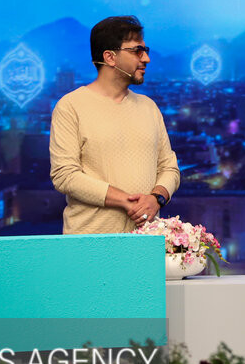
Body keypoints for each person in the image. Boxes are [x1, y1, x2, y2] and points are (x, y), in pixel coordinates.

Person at [50, 15, 180, 234]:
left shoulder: (149, 107)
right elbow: (65, 175)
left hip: (145, 240)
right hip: (90, 242)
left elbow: (170, 168)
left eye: (145, 50)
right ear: (110, 57)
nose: (147, 59)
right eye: (137, 51)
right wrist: (126, 201)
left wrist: (156, 198)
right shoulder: (71, 106)